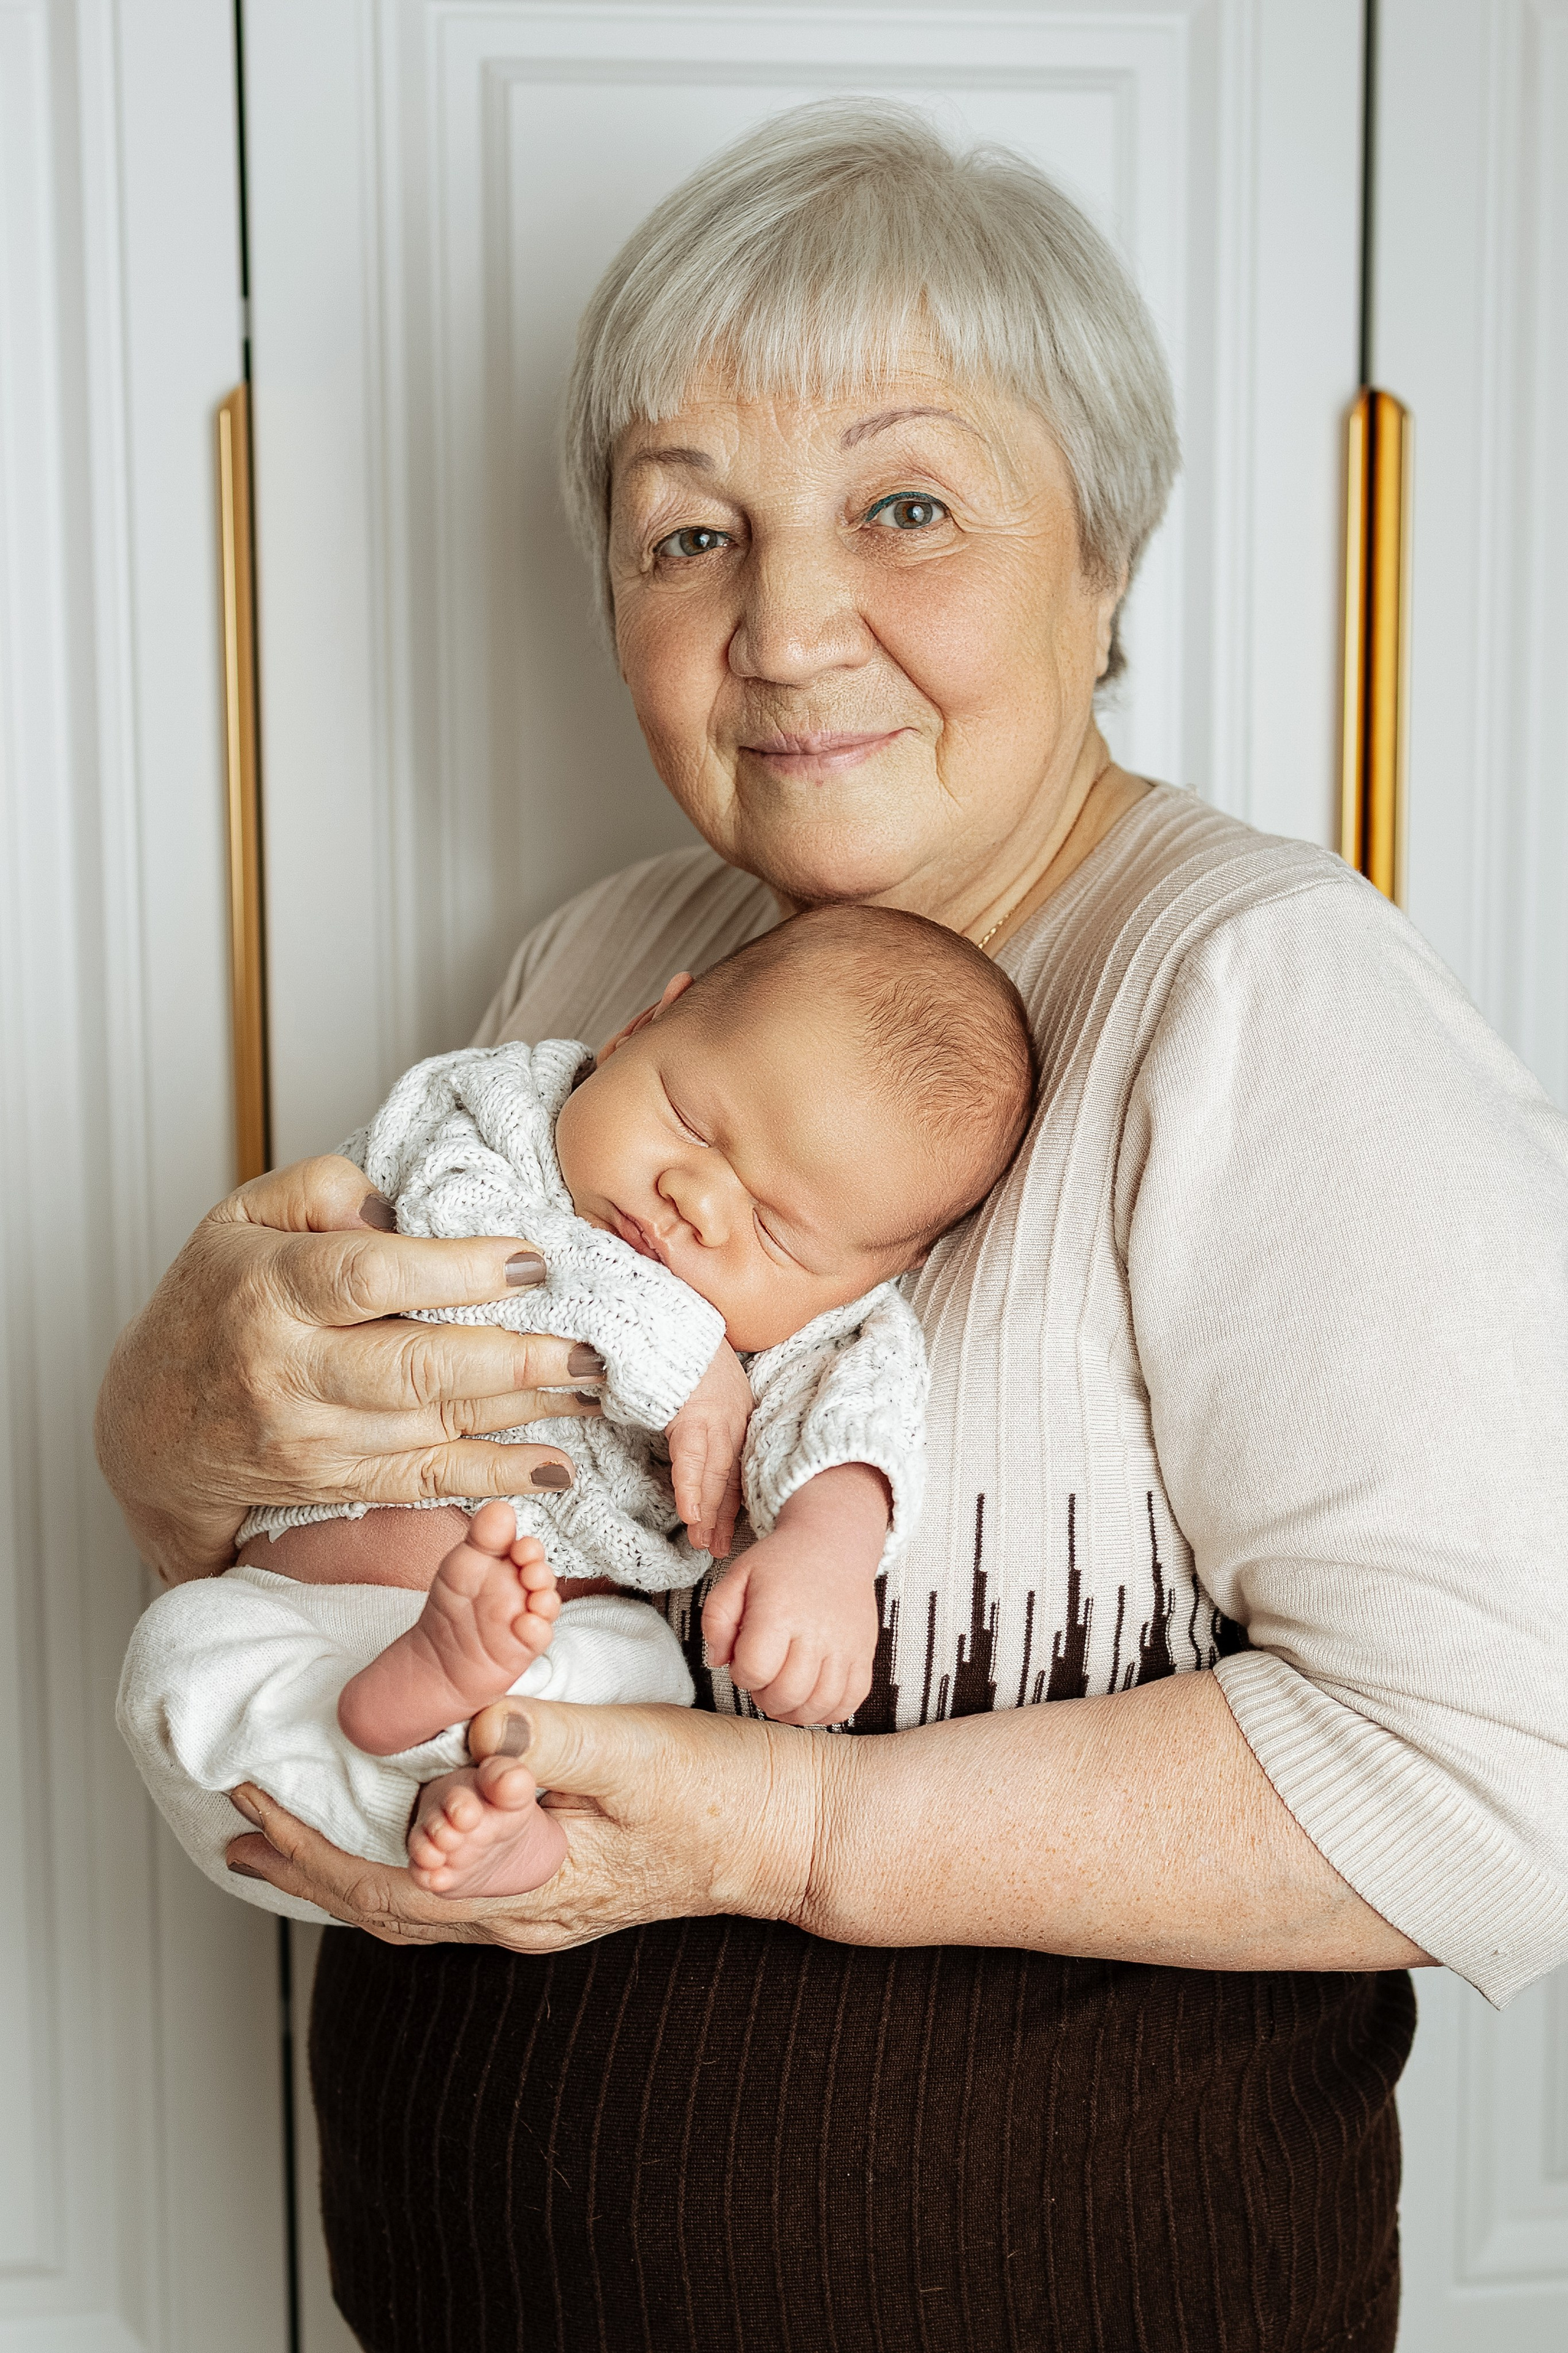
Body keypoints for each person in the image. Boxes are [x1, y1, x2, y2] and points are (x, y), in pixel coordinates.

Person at [95, 102, 1568, 2352]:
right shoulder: (596, 963)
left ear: (1107, 559)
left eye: (906, 504)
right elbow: (348, 1550)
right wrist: (170, 1444)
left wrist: (794, 1834)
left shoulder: (1256, 991)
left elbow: (1502, 1786)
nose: (783, 626)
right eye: (688, 532)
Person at [116, 906, 1029, 1903]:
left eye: (774, 1228)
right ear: (641, 1026)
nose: (696, 1199)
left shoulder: (818, 1326)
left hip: (545, 1664)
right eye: (690, 1120)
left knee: (643, 1686)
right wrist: (675, 1342)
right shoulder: (499, 1113)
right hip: (302, 1623)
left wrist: (827, 1546)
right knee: (178, 1651)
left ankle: (472, 1791)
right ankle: (410, 1732)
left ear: (873, 1274)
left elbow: (853, 1411)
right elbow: (443, 1213)